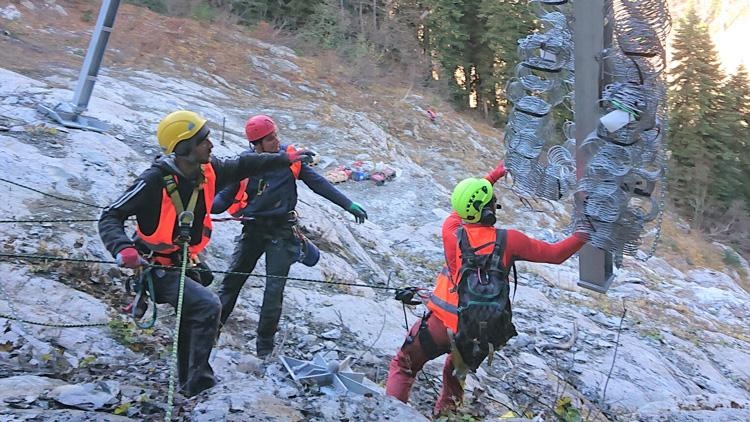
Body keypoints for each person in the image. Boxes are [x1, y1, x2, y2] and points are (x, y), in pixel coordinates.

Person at [98, 110, 313, 397]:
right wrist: (122, 247)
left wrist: (284, 159)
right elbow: (111, 215)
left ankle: (188, 382)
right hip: (155, 266)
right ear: (184, 148)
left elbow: (246, 163)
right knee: (207, 306)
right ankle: (198, 385)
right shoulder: (153, 181)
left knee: (193, 313)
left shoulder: (208, 171)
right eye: (203, 140)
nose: (210, 144)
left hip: (185, 262)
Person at [384, 160, 587, 416]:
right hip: (477, 331)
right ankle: (447, 418)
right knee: (454, 376)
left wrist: (492, 176)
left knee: (404, 365)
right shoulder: (510, 240)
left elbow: (463, 208)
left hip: (439, 324)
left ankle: (389, 415)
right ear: (489, 211)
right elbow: (556, 255)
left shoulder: (451, 231)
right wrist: (585, 232)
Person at [212, 114, 369, 357]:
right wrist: (196, 207)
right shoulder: (246, 164)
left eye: (276, 135)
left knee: (274, 291)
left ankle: (264, 349)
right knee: (232, 283)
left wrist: (348, 204)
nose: (277, 141)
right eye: (271, 138)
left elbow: (317, 183)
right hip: (253, 229)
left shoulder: (290, 158)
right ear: (257, 144)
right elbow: (222, 200)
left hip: (281, 231)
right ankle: (210, 334)